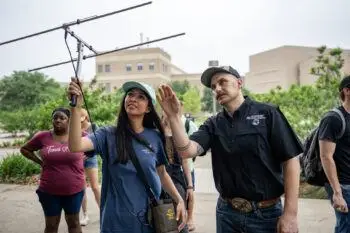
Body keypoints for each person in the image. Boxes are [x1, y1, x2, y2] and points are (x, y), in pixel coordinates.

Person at [157, 66, 303, 233]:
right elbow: (187, 151)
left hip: (266, 215)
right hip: (227, 214)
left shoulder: (267, 114)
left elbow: (291, 160)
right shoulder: (213, 124)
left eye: (222, 82)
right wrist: (174, 117)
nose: (217, 89)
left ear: (239, 83)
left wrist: (291, 214)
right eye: (213, 87)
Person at [67, 78, 187, 233]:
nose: (133, 99)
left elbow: (162, 173)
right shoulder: (107, 135)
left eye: (141, 97)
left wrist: (179, 200)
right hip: (117, 222)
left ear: (148, 108)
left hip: (151, 219)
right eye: (130, 94)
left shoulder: (155, 136)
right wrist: (76, 108)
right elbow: (75, 145)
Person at [20, 107, 85, 233]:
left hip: (74, 189)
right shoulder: (43, 136)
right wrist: (40, 162)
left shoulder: (79, 135)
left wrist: (86, 156)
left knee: (74, 223)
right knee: (51, 225)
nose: (58, 120)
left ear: (69, 120)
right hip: (49, 191)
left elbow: (94, 147)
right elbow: (25, 149)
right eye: (55, 118)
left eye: (62, 118)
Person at [319, 75, 350, 233]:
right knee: (346, 227)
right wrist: (337, 193)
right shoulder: (333, 119)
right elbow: (326, 156)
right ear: (347, 90)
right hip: (344, 185)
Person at [161, 112, 193, 233]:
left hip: (177, 177)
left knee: (180, 215)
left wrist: (190, 185)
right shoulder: (156, 132)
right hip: (160, 176)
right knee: (163, 216)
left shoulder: (180, 133)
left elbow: (185, 162)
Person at [79, 108, 101, 226]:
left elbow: (98, 145)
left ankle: (103, 212)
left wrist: (89, 155)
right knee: (82, 188)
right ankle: (85, 215)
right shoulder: (75, 128)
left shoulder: (93, 126)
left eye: (80, 117)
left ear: (85, 117)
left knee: (95, 187)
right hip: (78, 160)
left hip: (90, 159)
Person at [180, 102, 198, 232]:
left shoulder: (187, 124)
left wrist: (190, 160)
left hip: (187, 166)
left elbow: (195, 146)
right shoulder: (163, 123)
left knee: (189, 192)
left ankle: (190, 218)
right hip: (171, 170)